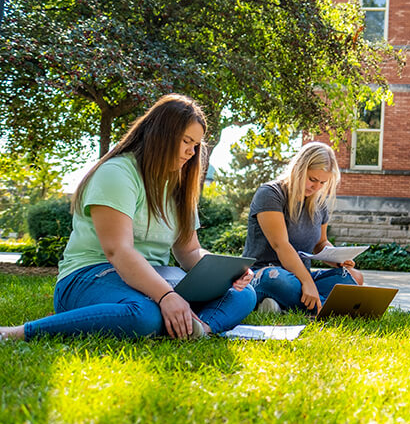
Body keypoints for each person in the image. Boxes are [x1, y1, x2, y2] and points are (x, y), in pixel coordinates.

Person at [0, 94, 256, 342]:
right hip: (91, 276)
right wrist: (166, 295)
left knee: (242, 294)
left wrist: (225, 271)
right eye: (186, 141)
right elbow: (119, 252)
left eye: (196, 146)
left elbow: (189, 251)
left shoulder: (178, 185)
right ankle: (20, 332)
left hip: (156, 277)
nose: (191, 152)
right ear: (162, 135)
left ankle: (199, 328)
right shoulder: (117, 173)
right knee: (146, 316)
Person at [244, 142, 363, 315]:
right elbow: (281, 245)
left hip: (300, 277)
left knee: (354, 277)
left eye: (323, 182)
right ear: (299, 169)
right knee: (278, 280)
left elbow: (321, 243)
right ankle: (330, 309)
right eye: (312, 179)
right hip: (266, 274)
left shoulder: (318, 203)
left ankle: (281, 306)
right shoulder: (270, 194)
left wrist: (337, 258)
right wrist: (307, 283)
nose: (316, 187)